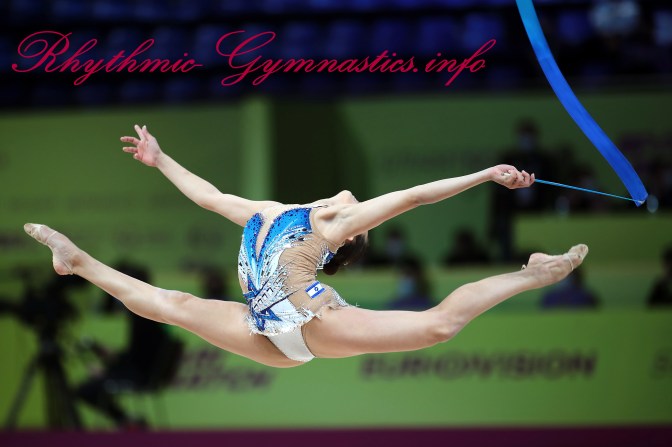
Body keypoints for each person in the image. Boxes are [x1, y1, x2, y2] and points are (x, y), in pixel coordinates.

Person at [24, 125, 588, 368]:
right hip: (261, 330)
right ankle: (77, 261)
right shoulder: (269, 212)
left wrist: (486, 175)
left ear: (349, 233)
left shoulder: (332, 226)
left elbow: (415, 196)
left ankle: (533, 274)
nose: (356, 203)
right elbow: (210, 197)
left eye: (361, 217)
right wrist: (160, 159)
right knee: (171, 304)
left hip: (313, 321)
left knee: (436, 327)